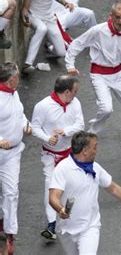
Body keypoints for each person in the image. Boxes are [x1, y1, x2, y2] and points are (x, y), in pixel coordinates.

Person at [65, 2, 121, 161]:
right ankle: (91, 133)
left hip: (119, 74)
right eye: (117, 17)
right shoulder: (98, 30)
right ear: (110, 16)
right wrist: (70, 65)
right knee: (106, 108)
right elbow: (77, 43)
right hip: (99, 74)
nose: (120, 21)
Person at [49, 131, 121, 254]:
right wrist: (60, 209)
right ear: (84, 151)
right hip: (67, 230)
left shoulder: (95, 168)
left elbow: (113, 188)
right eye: (94, 147)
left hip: (90, 227)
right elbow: (53, 197)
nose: (97, 150)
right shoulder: (63, 169)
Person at [31, 75, 84, 241]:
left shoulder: (75, 103)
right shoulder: (43, 106)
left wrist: (66, 131)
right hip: (50, 155)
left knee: (73, 187)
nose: (76, 94)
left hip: (69, 155)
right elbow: (34, 128)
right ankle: (51, 225)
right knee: (51, 187)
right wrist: (47, 138)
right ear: (67, 91)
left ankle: (72, 219)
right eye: (75, 91)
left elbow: (80, 124)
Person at [0, 62, 32, 254]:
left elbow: (19, 114)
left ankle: (10, 233)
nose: (19, 79)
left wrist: (26, 124)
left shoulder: (14, 93)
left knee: (11, 193)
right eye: (17, 77)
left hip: (13, 153)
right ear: (12, 79)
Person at [22, 0, 75, 74]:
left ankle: (49, 47)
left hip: (49, 17)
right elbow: (25, 8)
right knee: (42, 29)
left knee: (62, 53)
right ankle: (27, 64)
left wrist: (65, 3)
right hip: (34, 16)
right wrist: (25, 17)